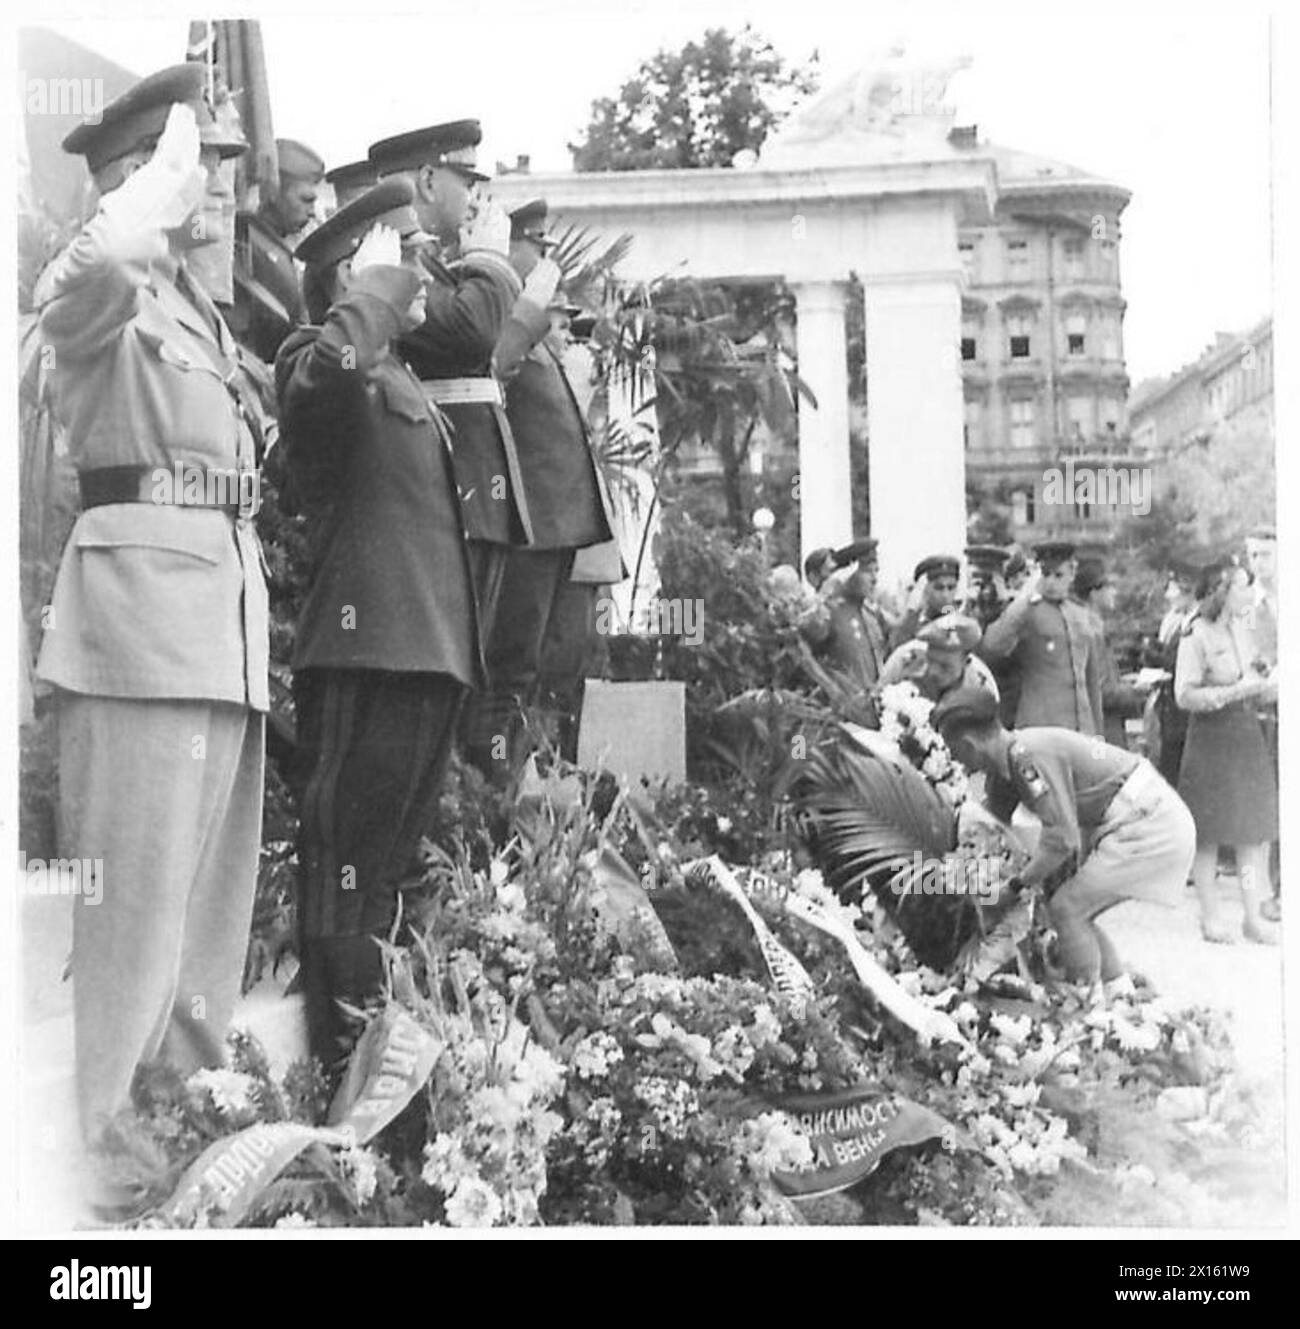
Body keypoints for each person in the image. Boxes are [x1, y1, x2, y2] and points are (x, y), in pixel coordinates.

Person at [33, 66, 268, 1202]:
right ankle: (108, 1169)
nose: (220, 188)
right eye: (198, 166)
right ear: (141, 178)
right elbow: (93, 264)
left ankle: (185, 1130)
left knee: (202, 911)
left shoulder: (193, 308)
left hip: (215, 626)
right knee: (131, 913)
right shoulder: (109, 295)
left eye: (216, 168)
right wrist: (154, 191)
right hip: (137, 633)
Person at [275, 180, 482, 1069]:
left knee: (386, 884)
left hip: (427, 655)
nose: (420, 265)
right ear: (351, 270)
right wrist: (370, 295)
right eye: (399, 250)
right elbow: (323, 381)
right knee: (345, 887)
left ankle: (380, 1088)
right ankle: (341, 1084)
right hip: (365, 654)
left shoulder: (398, 377)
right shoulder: (317, 362)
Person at [461, 199, 615, 782]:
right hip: (527, 527)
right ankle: (493, 795)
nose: (546, 257)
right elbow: (493, 367)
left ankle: (522, 791)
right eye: (535, 245)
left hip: (554, 528)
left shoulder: (535, 328)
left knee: (540, 675)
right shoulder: (503, 318)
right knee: (508, 674)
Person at [367, 120, 531, 639]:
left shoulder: (435, 263)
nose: (475, 198)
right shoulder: (394, 255)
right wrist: (489, 261)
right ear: (430, 181)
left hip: (469, 485)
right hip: (449, 487)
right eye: (467, 180)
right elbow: (471, 334)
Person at [932, 687, 1195, 989]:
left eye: (954, 750)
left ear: (969, 744)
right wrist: (953, 873)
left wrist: (1014, 886)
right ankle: (1119, 993)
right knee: (1074, 909)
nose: (956, 759)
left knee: (1068, 909)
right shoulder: (1009, 759)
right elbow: (986, 827)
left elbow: (1062, 839)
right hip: (1135, 819)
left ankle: (1086, 1007)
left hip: (1149, 823)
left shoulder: (1027, 756)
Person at [1173, 557, 1278, 945]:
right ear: (1221, 591)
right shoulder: (1195, 635)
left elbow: (1255, 680)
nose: (1248, 592)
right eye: (1240, 585)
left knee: (1251, 833)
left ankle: (1252, 917)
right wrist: (1238, 690)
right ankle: (1211, 917)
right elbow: (1184, 695)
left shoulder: (1244, 629)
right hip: (1210, 740)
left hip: (1245, 734)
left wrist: (1272, 685)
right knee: (1209, 836)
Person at [980, 540, 1103, 734]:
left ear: (1072, 573)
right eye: (1046, 575)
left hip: (1081, 728)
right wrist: (1023, 601)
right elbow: (992, 645)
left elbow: (1092, 682)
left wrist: (1098, 734)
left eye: (1058, 575)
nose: (1051, 582)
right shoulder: (1028, 611)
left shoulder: (1082, 615)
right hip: (1041, 726)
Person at [232, 138, 324, 361]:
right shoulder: (249, 248)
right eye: (305, 199)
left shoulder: (272, 247)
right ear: (273, 191)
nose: (312, 212)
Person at [1072, 557, 1148, 748]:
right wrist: (1136, 691)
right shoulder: (1092, 630)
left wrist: (1124, 682)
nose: (1114, 592)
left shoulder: (1087, 624)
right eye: (1109, 587)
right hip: (1102, 730)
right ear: (1094, 591)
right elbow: (1100, 690)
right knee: (1106, 772)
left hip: (1101, 726)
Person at [799, 537, 891, 694]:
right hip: (841, 709)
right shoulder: (828, 610)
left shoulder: (871, 613)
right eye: (868, 572)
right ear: (848, 574)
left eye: (876, 571)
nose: (874, 579)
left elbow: (898, 635)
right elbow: (807, 631)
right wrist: (827, 591)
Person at [1244, 526, 1279, 919]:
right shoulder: (1247, 605)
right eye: (1253, 555)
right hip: (1260, 712)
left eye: (1266, 555)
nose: (1258, 564)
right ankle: (1271, 890)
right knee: (1268, 799)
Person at [877, 612, 1000, 703]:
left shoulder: (982, 689)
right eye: (930, 660)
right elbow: (878, 697)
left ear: (966, 662)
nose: (933, 671)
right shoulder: (905, 658)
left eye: (945, 667)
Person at [890, 554, 961, 651]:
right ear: (924, 589)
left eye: (951, 588)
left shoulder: (961, 625)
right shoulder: (912, 624)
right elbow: (897, 651)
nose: (945, 595)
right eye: (939, 588)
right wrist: (913, 610)